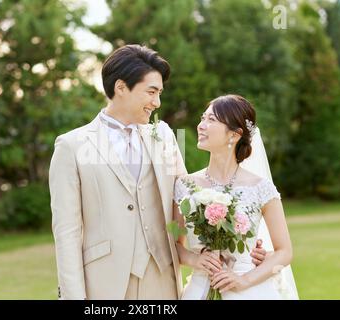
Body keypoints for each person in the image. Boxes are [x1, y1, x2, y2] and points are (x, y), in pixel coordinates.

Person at [49, 45, 266, 300]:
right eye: (151, 92)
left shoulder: (164, 137)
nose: (157, 102)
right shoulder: (72, 146)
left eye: (160, 93)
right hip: (105, 284)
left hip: (163, 278)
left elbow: (189, 204)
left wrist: (236, 241)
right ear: (121, 87)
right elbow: (67, 233)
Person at [174, 94, 298, 299]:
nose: (201, 125)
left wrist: (244, 280)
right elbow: (173, 245)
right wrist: (195, 260)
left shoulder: (261, 187)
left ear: (234, 135)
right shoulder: (184, 185)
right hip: (200, 288)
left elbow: (284, 252)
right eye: (202, 118)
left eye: (211, 120)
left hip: (249, 290)